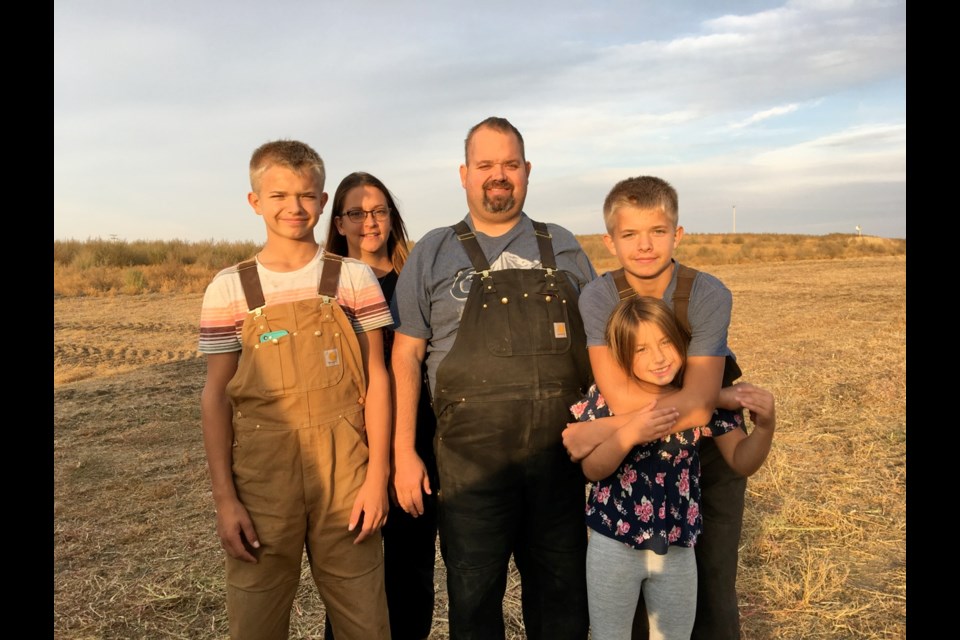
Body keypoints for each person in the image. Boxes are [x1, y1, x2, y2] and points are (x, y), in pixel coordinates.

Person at [390, 116, 598, 640]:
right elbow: (405, 358)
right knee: (474, 601)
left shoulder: (564, 246)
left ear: (527, 171)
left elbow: (601, 347)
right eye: (485, 165)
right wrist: (404, 452)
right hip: (471, 468)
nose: (497, 175)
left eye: (509, 164)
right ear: (464, 173)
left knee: (563, 600)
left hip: (562, 459)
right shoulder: (433, 251)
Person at [198, 140, 393, 640]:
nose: (294, 207)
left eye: (306, 195)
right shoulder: (229, 288)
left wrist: (377, 479)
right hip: (262, 480)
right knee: (255, 619)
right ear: (254, 201)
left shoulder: (353, 278)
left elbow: (377, 378)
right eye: (279, 194)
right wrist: (225, 500)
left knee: (365, 620)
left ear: (323, 201)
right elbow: (217, 396)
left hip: (346, 472)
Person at [561, 176, 750, 640]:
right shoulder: (600, 297)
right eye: (629, 234)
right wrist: (705, 398)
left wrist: (598, 430)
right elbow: (626, 397)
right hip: (633, 456)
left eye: (657, 232)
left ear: (677, 234)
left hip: (702, 452)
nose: (644, 246)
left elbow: (701, 410)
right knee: (628, 596)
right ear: (610, 241)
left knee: (713, 579)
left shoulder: (707, 293)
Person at [571, 295, 776, 640]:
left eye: (666, 342)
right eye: (641, 350)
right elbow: (592, 470)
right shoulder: (607, 399)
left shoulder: (700, 398)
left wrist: (766, 427)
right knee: (610, 635)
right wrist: (630, 434)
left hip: (679, 546)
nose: (659, 357)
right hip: (613, 545)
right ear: (621, 356)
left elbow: (742, 460)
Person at [322, 171, 439, 640]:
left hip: (416, 441)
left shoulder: (416, 278)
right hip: (352, 446)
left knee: (412, 576)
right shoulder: (324, 287)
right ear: (339, 222)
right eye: (357, 212)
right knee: (357, 582)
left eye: (379, 211)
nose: (369, 222)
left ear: (392, 217)